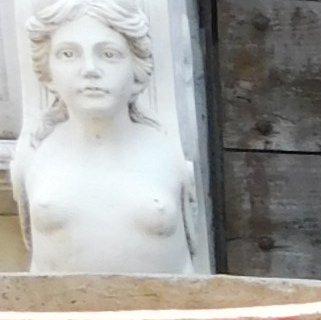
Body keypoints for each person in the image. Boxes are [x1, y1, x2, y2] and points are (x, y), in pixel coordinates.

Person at [10, 0, 197, 275]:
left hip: (165, 315)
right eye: (68, 54)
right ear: (47, 73)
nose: (90, 69)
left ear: (137, 69)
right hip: (63, 314)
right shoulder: (36, 155)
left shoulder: (167, 152)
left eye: (109, 54)